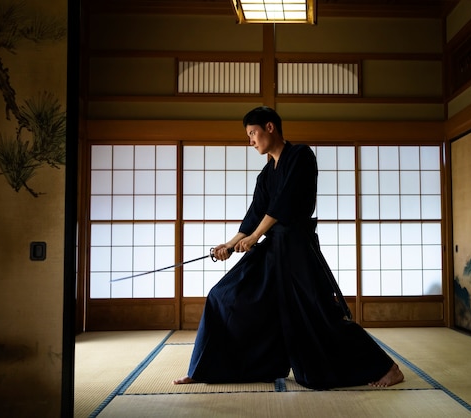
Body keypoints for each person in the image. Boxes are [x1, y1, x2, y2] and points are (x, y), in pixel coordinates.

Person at [173, 106, 404, 389]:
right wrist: (229, 244)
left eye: (253, 133)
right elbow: (255, 214)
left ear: (270, 128)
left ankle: (387, 367)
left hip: (297, 251)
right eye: (248, 136)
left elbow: (284, 205)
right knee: (224, 296)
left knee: (319, 314)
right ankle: (206, 368)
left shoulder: (301, 157)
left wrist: (255, 236)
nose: (251, 141)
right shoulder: (265, 175)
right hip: (272, 252)